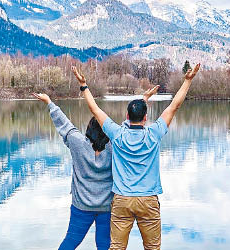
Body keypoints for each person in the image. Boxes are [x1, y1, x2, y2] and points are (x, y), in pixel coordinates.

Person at [71, 63, 201, 250]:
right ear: (146, 118)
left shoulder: (117, 134)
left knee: (116, 247)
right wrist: (188, 81)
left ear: (126, 116)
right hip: (148, 200)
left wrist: (84, 86)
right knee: (152, 247)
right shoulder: (153, 133)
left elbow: (95, 110)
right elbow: (174, 106)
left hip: (122, 199)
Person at [31, 86, 158, 250]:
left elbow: (63, 123)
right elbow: (128, 126)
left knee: (70, 242)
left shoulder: (77, 143)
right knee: (105, 245)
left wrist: (49, 102)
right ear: (109, 132)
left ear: (88, 129)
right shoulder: (116, 144)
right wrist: (143, 101)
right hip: (107, 206)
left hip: (81, 206)